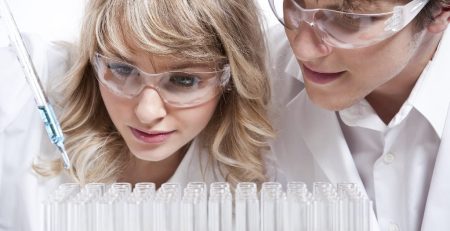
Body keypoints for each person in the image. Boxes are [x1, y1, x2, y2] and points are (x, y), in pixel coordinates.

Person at [0, 0, 274, 230]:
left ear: (233, 79)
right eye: (123, 69)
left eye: (183, 81)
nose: (147, 112)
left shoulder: (258, 173)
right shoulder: (26, 82)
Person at [267, 0, 450, 230]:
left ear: (441, 10)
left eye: (350, 19)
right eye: (294, 3)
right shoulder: (244, 76)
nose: (303, 48)